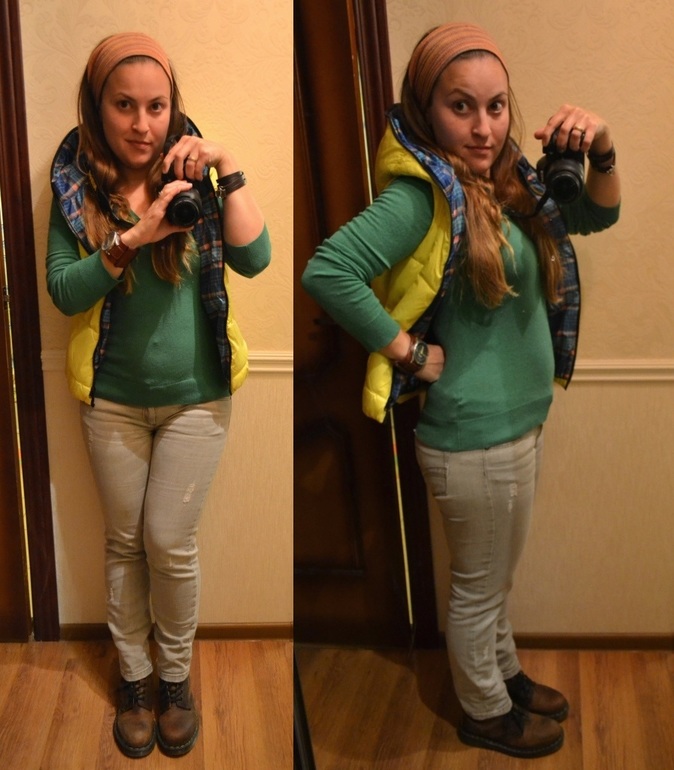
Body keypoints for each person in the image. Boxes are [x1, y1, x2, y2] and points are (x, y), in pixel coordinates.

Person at [302, 22, 619, 759]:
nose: (483, 128)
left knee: (495, 578)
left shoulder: (510, 183)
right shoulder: (422, 198)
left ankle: (503, 677)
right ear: (426, 110)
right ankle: (483, 710)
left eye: (496, 106)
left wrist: (600, 146)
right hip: (473, 435)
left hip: (517, 423)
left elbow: (598, 214)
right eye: (461, 107)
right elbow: (327, 271)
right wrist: (408, 351)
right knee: (478, 586)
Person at [47, 32, 270, 759]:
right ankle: (134, 678)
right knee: (123, 542)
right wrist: (132, 237)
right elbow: (63, 289)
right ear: (97, 107)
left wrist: (227, 168)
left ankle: (174, 677)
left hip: (196, 398)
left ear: (174, 106)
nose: (142, 124)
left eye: (156, 106)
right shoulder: (74, 185)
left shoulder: (195, 175)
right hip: (111, 398)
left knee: (169, 543)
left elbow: (257, 257)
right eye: (124, 106)